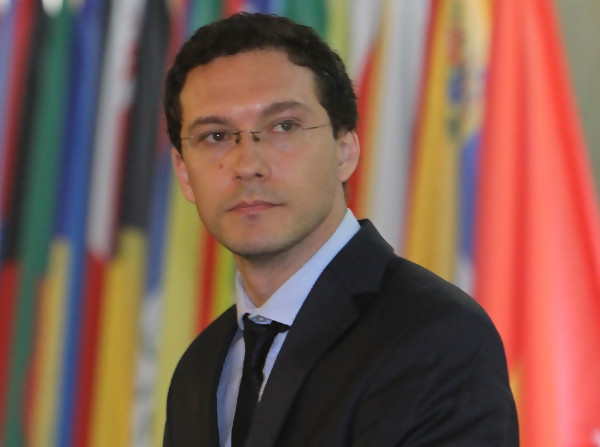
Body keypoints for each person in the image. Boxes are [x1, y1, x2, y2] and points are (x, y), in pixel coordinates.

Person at [162, 12, 519, 447]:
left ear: (345, 150)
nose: (248, 164)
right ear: (184, 173)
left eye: (283, 126)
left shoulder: (436, 336)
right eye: (216, 136)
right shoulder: (199, 369)